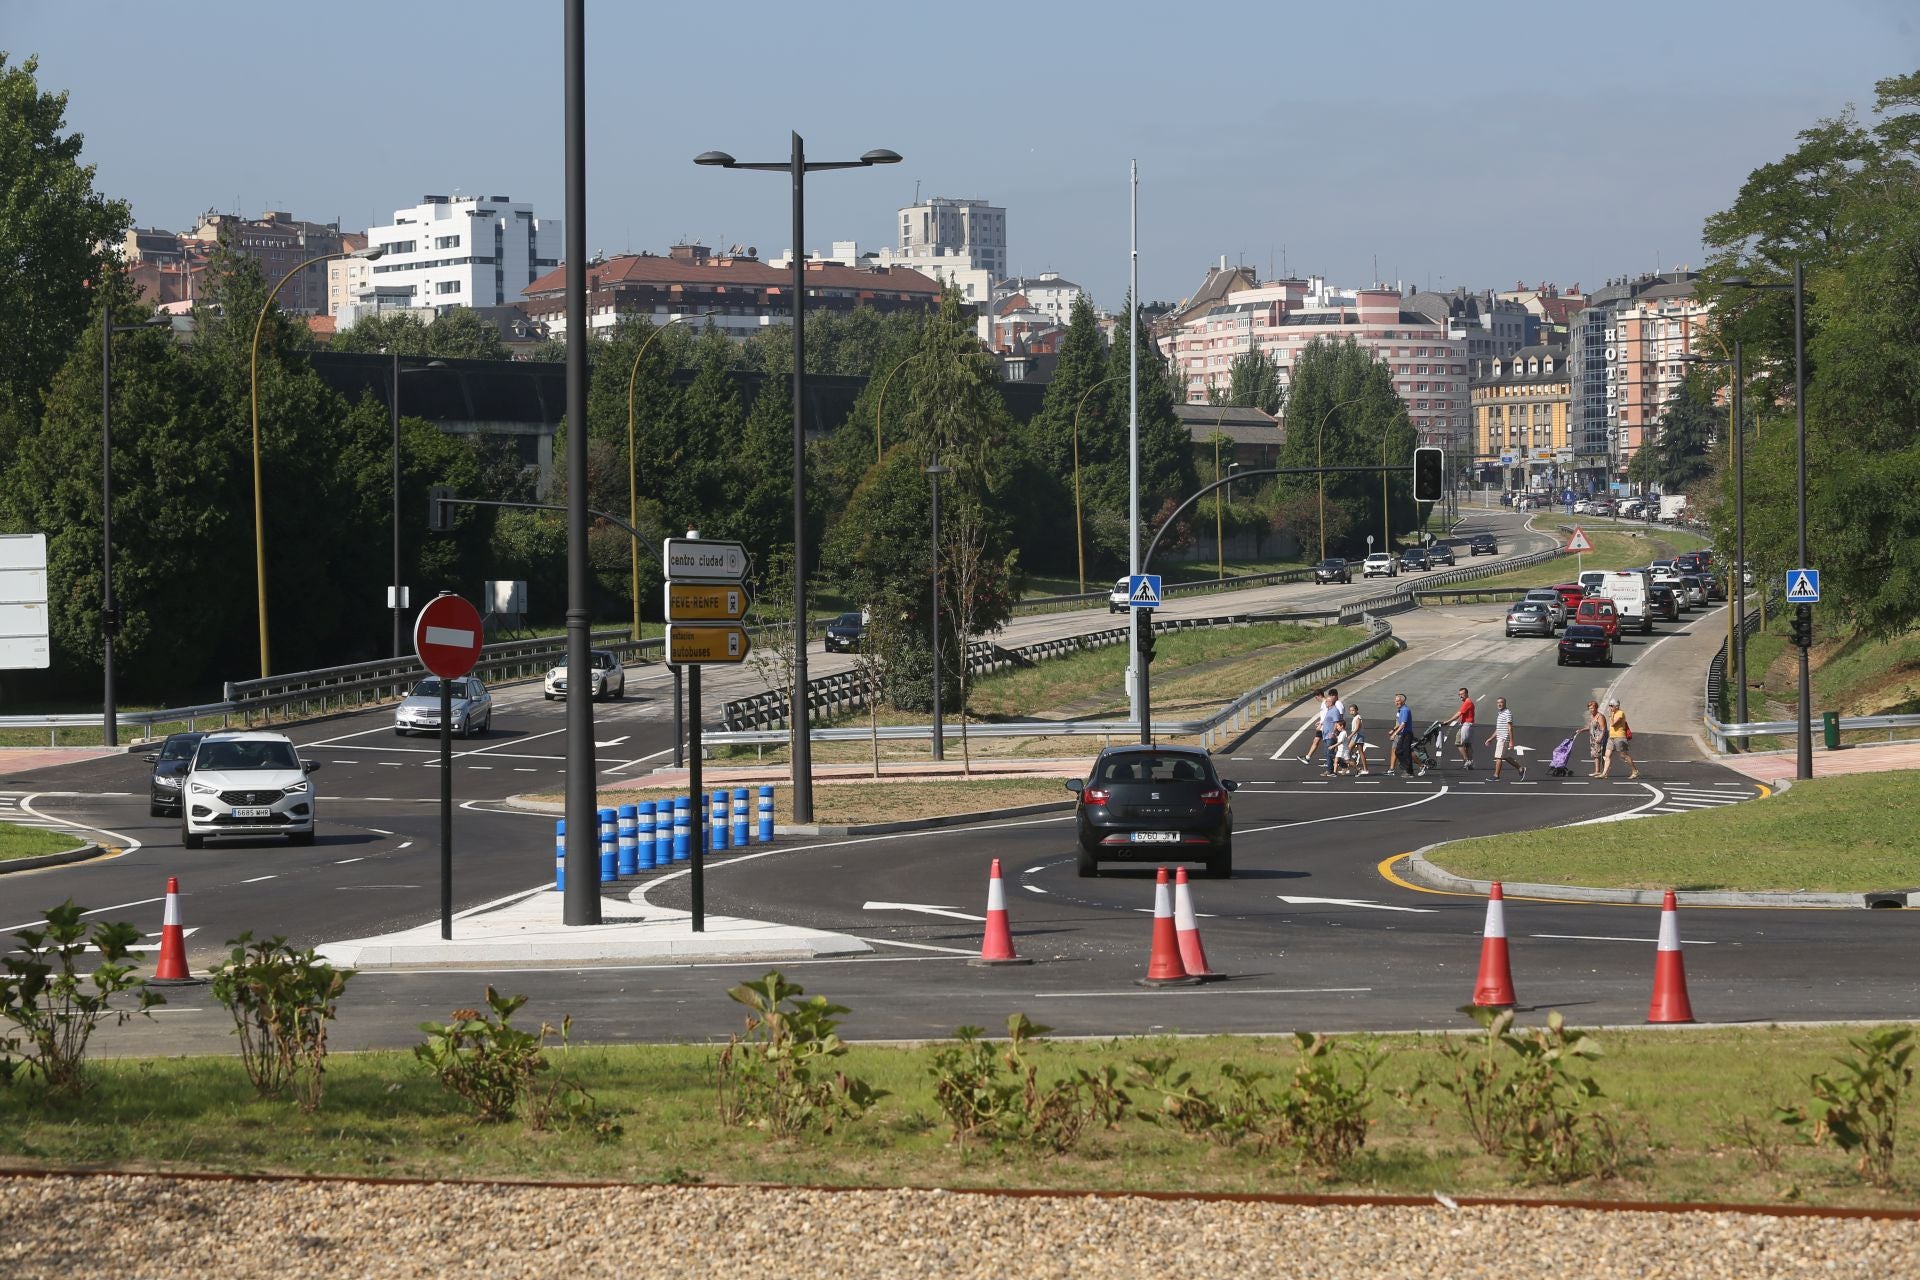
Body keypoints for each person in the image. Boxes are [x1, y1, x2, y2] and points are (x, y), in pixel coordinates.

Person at [1484, 696, 1526, 781]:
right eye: (1498, 703)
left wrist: (1511, 741)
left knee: (1498, 757)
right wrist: (1491, 738)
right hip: (1500, 737)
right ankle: (1521, 768)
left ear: (1505, 703)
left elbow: (1510, 728)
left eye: (1501, 702)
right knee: (1505, 756)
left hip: (1503, 738)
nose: (1499, 704)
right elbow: (1498, 729)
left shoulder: (1507, 713)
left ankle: (1496, 776)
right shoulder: (1500, 713)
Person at [1299, 686, 1343, 765]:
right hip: (1324, 726)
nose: (1316, 699)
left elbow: (1327, 714)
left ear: (1319, 696)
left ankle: (1340, 760)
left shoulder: (1325, 703)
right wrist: (1320, 722)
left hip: (1325, 727)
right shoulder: (1324, 703)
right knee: (1318, 741)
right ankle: (1308, 757)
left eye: (1316, 698)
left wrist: (1321, 724)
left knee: (1328, 744)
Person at [1597, 698, 1640, 779]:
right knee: (1607, 755)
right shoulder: (1613, 713)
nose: (1610, 707)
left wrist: (1610, 715)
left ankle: (1635, 770)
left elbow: (1613, 724)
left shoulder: (1620, 713)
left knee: (1623, 755)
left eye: (1611, 706)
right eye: (1609, 705)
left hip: (1620, 737)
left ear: (1616, 706)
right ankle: (1604, 773)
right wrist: (1611, 714)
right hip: (1612, 737)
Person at [1387, 693, 1418, 776]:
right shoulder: (1401, 710)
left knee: (1406, 753)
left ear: (1403, 701)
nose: (1396, 703)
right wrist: (1393, 730)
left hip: (1406, 734)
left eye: (1398, 701)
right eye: (1395, 701)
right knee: (1398, 751)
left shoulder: (1404, 710)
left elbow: (1403, 724)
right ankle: (1407, 768)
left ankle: (1409, 771)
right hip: (1403, 734)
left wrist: (1394, 734)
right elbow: (1399, 723)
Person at [1445, 687, 1476, 770]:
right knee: (1467, 745)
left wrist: (1448, 721)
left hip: (1466, 725)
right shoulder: (1468, 702)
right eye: (1459, 694)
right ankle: (1470, 763)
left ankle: (1467, 761)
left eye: (1462, 694)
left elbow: (1458, 714)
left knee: (1458, 742)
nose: (1460, 696)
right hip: (1469, 725)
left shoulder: (1467, 702)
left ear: (1466, 693)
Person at [1318, 691, 1345, 776]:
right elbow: (1327, 721)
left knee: (1329, 752)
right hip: (1325, 734)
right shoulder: (1329, 710)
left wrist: (1333, 732)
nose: (1325, 702)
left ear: (1330, 702)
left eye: (1327, 701)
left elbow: (1337, 722)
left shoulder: (1334, 710)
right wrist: (1320, 724)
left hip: (1330, 735)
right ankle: (1330, 770)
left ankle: (1342, 764)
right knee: (1327, 753)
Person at [1584, 699, 1607, 777]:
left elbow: (1603, 729)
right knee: (1595, 755)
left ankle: (1605, 772)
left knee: (1602, 754)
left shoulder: (1600, 716)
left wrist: (1600, 738)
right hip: (1593, 738)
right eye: (1590, 708)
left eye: (1592, 708)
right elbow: (1590, 727)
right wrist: (1582, 730)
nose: (1591, 710)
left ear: (1596, 708)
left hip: (1599, 738)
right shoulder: (1592, 716)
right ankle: (1597, 771)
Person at [1346, 701, 1370, 775]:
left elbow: (1357, 728)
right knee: (1356, 751)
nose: (1352, 712)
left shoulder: (1358, 717)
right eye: (1350, 710)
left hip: (1357, 736)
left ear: (1356, 710)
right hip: (1356, 736)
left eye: (1353, 710)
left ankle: (1365, 769)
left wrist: (1350, 735)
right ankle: (1363, 768)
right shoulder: (1355, 717)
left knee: (1348, 751)